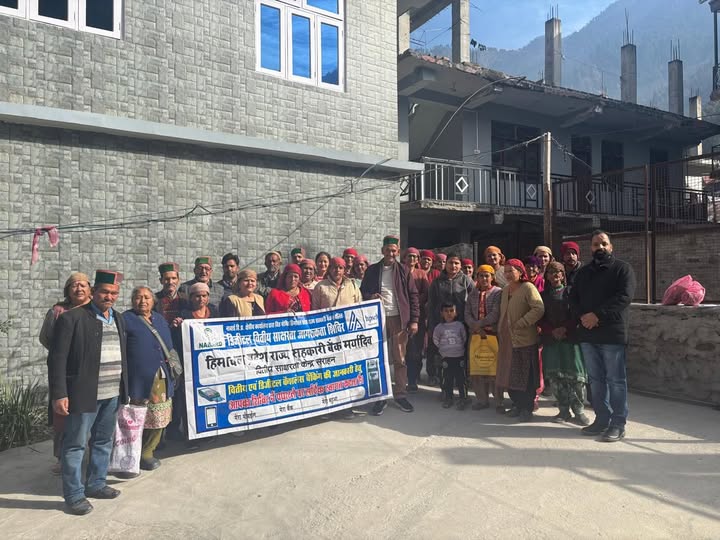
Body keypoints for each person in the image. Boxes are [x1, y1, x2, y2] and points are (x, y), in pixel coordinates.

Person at [48, 270, 128, 516]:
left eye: (114, 293)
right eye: (104, 292)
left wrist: (125, 390)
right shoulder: (71, 318)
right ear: (94, 292)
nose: (109, 297)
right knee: (75, 445)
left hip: (112, 393)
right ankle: (74, 495)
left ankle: (96, 483)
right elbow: (57, 359)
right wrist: (59, 394)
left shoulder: (118, 318)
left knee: (103, 441)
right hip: (83, 395)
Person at [570, 230, 636, 442]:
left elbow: (624, 297)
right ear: (590, 248)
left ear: (611, 246)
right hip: (588, 335)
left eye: (604, 243)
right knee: (596, 380)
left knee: (615, 381)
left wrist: (597, 315)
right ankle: (602, 419)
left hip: (612, 335)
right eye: (596, 244)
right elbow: (573, 298)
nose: (600, 247)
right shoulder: (583, 273)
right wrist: (583, 317)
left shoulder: (622, 269)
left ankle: (618, 423)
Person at [39, 272, 92, 473]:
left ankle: (92, 456)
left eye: (83, 285)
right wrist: (65, 353)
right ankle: (62, 458)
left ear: (90, 289)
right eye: (74, 285)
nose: (79, 289)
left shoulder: (96, 309)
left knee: (90, 414)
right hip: (65, 373)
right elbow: (46, 338)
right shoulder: (58, 311)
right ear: (67, 290)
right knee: (63, 416)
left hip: (91, 371)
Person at [361, 234, 419, 415]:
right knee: (380, 359)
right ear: (382, 251)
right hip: (377, 320)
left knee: (400, 359)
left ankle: (400, 394)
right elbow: (363, 292)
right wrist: (371, 296)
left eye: (394, 250)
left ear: (398, 252)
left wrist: (414, 320)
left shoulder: (404, 271)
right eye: (388, 250)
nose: (391, 253)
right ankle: (381, 396)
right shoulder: (372, 270)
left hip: (399, 320)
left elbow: (413, 296)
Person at [123, 286, 175, 471]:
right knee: (135, 417)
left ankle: (147, 452)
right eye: (138, 297)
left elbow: (169, 346)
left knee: (159, 415)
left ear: (153, 301)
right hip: (136, 378)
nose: (143, 301)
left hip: (160, 375)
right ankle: (131, 452)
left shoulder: (159, 319)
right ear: (132, 301)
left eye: (147, 297)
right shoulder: (125, 319)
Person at [167, 282, 220, 441]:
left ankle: (209, 430)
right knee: (189, 400)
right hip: (191, 365)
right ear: (191, 297)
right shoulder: (185, 315)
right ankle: (190, 435)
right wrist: (175, 326)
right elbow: (177, 340)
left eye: (204, 295)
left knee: (211, 397)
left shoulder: (215, 312)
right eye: (197, 296)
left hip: (211, 364)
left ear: (208, 297)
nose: (201, 299)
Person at [539, 262, 590, 426]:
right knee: (556, 377)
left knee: (575, 377)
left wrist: (565, 328)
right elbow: (539, 317)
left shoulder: (571, 293)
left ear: (563, 275)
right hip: (551, 340)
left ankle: (579, 410)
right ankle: (563, 409)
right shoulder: (542, 295)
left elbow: (577, 314)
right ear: (547, 276)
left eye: (558, 272)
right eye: (551, 272)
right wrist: (551, 330)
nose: (555, 275)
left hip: (570, 339)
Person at [499, 259, 544, 422]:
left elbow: (539, 308)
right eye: (506, 271)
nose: (508, 274)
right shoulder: (505, 290)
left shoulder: (528, 288)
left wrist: (523, 322)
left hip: (524, 339)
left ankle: (527, 408)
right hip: (508, 339)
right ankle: (517, 404)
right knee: (511, 375)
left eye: (511, 271)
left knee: (526, 376)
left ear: (520, 271)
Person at [426, 253, 475, 389]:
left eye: (456, 263)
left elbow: (474, 301)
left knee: (461, 353)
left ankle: (462, 383)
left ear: (460, 265)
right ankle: (439, 380)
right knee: (440, 353)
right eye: (450, 263)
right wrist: (431, 325)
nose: (453, 266)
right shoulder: (437, 282)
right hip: (441, 324)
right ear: (445, 264)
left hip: (461, 324)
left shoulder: (466, 281)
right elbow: (431, 305)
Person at [464, 265, 502, 410]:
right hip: (475, 335)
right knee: (477, 367)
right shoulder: (472, 294)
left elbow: (495, 313)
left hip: (493, 334)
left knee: (494, 369)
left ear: (492, 277)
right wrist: (475, 327)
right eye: (481, 276)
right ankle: (481, 400)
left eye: (487, 276)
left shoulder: (498, 292)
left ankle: (498, 401)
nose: (484, 278)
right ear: (477, 278)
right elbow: (467, 313)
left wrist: (479, 324)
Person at [403, 248, 430, 392]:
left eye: (415, 256)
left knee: (416, 349)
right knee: (404, 349)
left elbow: (426, 292)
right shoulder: (400, 271)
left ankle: (414, 377)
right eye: (409, 256)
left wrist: (414, 301)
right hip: (402, 315)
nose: (412, 259)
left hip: (417, 315)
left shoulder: (421, 274)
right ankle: (406, 378)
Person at [433, 303, 468, 410]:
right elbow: (435, 340)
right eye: (446, 311)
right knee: (447, 378)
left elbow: (464, 338)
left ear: (456, 313)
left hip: (459, 357)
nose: (449, 313)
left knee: (461, 378)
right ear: (441, 313)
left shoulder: (460, 326)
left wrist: (459, 348)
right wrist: (443, 349)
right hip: (446, 358)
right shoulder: (439, 327)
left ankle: (463, 398)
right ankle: (448, 398)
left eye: (451, 311)